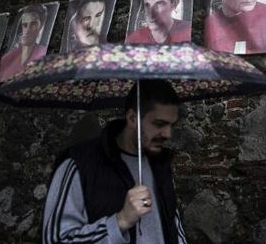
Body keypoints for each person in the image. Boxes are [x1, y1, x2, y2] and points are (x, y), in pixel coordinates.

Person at [42, 80, 187, 244]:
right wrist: (120, 221)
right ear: (132, 118)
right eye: (159, 124)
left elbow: (174, 227)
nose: (168, 134)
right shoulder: (80, 164)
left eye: (171, 125)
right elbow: (56, 240)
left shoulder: (160, 165)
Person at [126, 0, 191, 44]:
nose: (151, 13)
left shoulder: (187, 31)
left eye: (159, 4)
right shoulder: (133, 40)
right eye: (147, 5)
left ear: (174, 4)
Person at [0, 4, 48, 82]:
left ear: (41, 26)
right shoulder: (6, 59)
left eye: (33, 24)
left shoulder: (44, 54)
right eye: (25, 25)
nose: (27, 30)